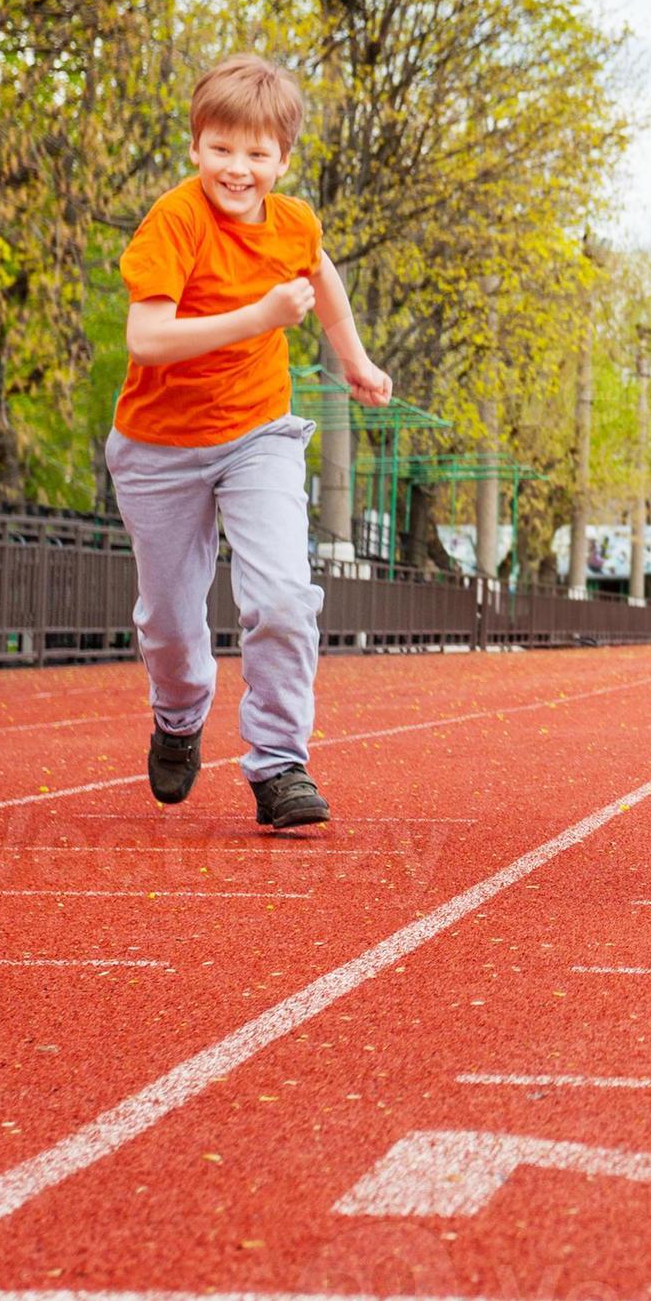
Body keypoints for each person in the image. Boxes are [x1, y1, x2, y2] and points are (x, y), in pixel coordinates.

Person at [106, 53, 391, 830]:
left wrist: (354, 358)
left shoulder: (294, 221)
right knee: (169, 621)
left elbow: (319, 274)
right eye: (222, 149)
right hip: (157, 447)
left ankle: (278, 764)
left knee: (283, 599)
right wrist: (259, 319)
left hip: (257, 434)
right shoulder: (175, 220)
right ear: (195, 146)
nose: (238, 168)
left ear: (282, 160)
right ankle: (178, 713)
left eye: (257, 155)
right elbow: (147, 337)